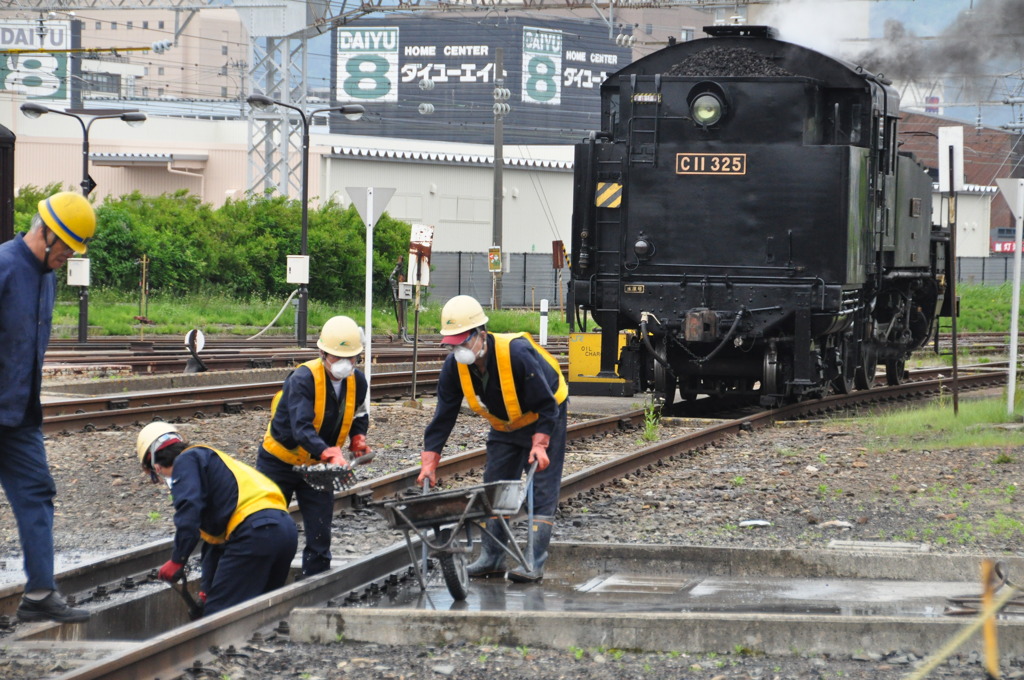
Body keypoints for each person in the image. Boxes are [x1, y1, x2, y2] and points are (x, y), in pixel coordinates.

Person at [417, 295, 568, 583]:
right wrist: (430, 459)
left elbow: (548, 404)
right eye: (453, 344)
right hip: (504, 426)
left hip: (544, 415)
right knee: (495, 486)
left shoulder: (517, 353)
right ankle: (493, 557)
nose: (458, 349)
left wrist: (540, 443)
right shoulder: (455, 367)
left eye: (463, 342)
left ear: (481, 335)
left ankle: (533, 563)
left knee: (542, 488)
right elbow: (443, 415)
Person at [0, 191, 96, 623]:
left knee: (38, 493)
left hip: (20, 416)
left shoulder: (48, 277)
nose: (68, 258)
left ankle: (39, 594)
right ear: (48, 233)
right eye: (67, 249)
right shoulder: (3, 267)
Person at [136, 422, 298, 617]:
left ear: (156, 466)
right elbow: (214, 543)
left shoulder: (185, 462)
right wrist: (206, 591)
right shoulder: (212, 461)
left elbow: (189, 514)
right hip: (285, 531)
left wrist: (178, 560)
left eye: (156, 477)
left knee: (219, 619)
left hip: (256, 534)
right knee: (263, 615)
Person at [256, 315, 372, 577]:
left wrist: (358, 438)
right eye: (336, 357)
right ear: (322, 353)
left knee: (320, 533)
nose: (344, 364)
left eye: (351, 358)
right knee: (269, 527)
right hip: (279, 462)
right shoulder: (303, 379)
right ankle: (263, 585)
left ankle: (315, 582)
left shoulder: (358, 382)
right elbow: (301, 428)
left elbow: (359, 415)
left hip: (319, 467)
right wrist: (330, 451)